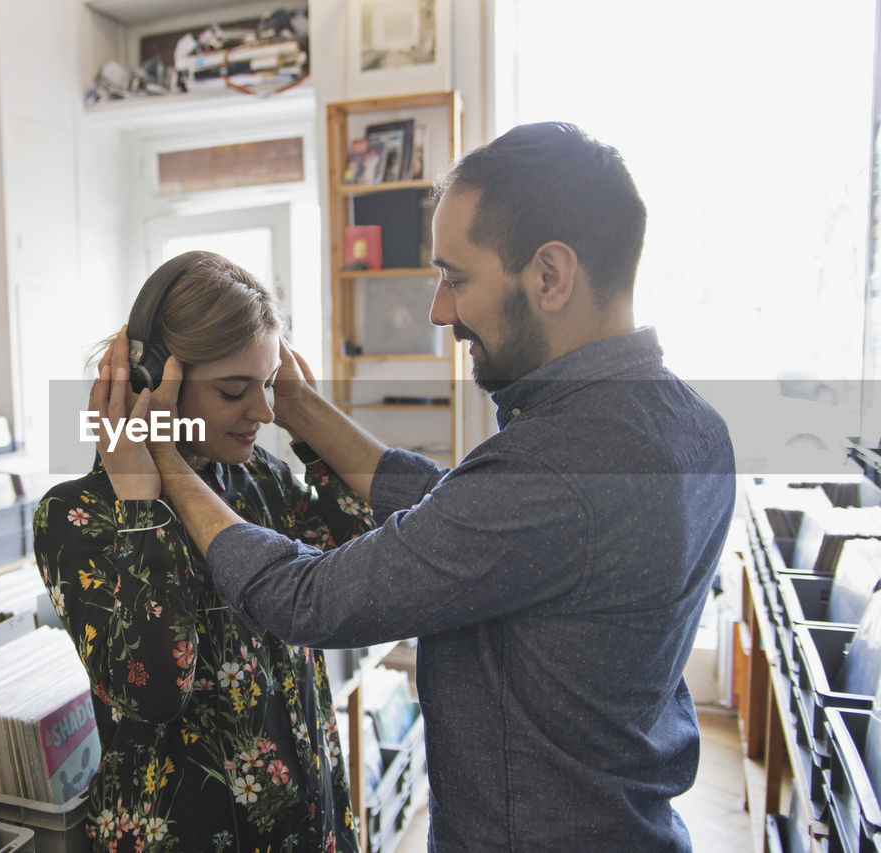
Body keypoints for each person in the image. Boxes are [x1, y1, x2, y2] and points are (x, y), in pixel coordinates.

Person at [118, 123, 737, 850]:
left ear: (550, 275)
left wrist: (170, 465)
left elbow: (306, 598)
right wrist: (300, 407)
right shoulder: (694, 428)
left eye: (457, 276)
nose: (442, 310)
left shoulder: (553, 472)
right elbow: (465, 510)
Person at [32, 252, 373, 852]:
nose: (264, 413)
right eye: (234, 390)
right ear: (150, 384)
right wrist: (142, 501)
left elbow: (365, 563)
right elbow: (155, 690)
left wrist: (309, 420)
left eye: (268, 385)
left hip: (309, 824)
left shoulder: (258, 477)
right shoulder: (76, 517)